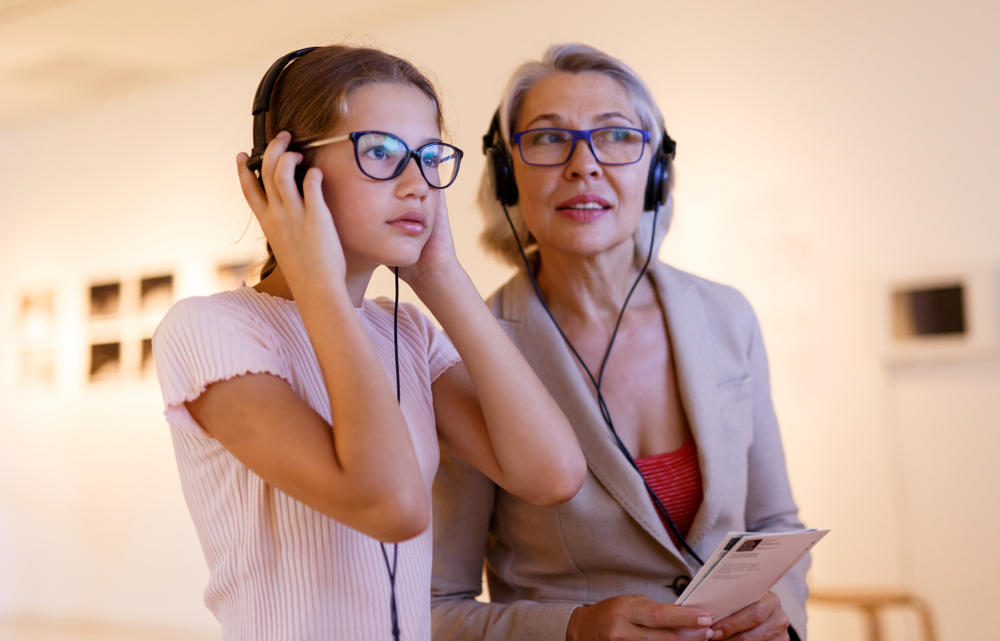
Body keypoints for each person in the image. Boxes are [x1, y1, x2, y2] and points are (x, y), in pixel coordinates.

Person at [151, 45, 586, 641]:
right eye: (380, 151)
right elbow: (393, 507)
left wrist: (443, 276)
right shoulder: (211, 329)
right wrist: (320, 285)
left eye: (428, 157)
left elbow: (552, 475)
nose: (417, 186)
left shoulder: (404, 329)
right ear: (288, 171)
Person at [431, 43, 809, 641]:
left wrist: (778, 608)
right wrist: (572, 629)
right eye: (549, 139)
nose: (584, 165)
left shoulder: (725, 316)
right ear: (507, 173)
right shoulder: (468, 353)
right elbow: (436, 605)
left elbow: (774, 521)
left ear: (655, 171)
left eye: (616, 137)